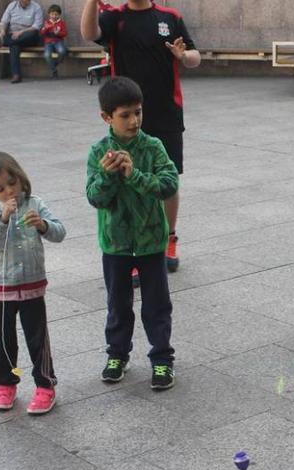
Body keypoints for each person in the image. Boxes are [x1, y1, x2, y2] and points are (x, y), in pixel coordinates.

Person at [81, 0, 201, 282]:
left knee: (169, 178)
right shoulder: (115, 17)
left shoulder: (169, 17)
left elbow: (195, 56)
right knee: (125, 176)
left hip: (165, 113)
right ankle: (134, 248)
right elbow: (89, 33)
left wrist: (184, 56)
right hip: (125, 118)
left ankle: (169, 238)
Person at [86, 76, 179, 389]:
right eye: (125, 115)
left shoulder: (153, 147)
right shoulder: (99, 151)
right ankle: (117, 354)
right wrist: (109, 176)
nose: (134, 120)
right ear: (106, 117)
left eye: (137, 112)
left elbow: (169, 185)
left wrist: (134, 174)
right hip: (116, 243)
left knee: (156, 304)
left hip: (151, 241)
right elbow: (95, 198)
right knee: (118, 303)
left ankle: (162, 358)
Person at [0, 152, 66, 415]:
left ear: (21, 178)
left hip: (32, 284)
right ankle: (6, 382)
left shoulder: (34, 203)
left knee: (38, 338)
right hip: (0, 288)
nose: (8, 191)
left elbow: (60, 232)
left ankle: (45, 385)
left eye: (12, 183)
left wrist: (43, 225)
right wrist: (1, 219)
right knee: (4, 341)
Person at [0, 0, 44, 83]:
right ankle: (16, 75)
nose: (26, 2)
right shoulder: (12, 6)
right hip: (14, 35)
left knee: (32, 34)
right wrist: (2, 31)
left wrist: (21, 32)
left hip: (29, 35)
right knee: (14, 46)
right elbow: (4, 22)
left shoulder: (36, 7)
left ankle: (5, 42)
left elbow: (37, 25)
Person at [40, 4, 67, 78]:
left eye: (56, 14)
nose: (54, 16)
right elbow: (42, 33)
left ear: (59, 15)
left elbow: (65, 33)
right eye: (52, 14)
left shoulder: (61, 23)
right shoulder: (47, 22)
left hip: (58, 41)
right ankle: (54, 70)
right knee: (47, 55)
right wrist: (46, 28)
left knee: (62, 51)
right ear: (49, 14)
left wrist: (58, 33)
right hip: (48, 42)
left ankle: (54, 64)